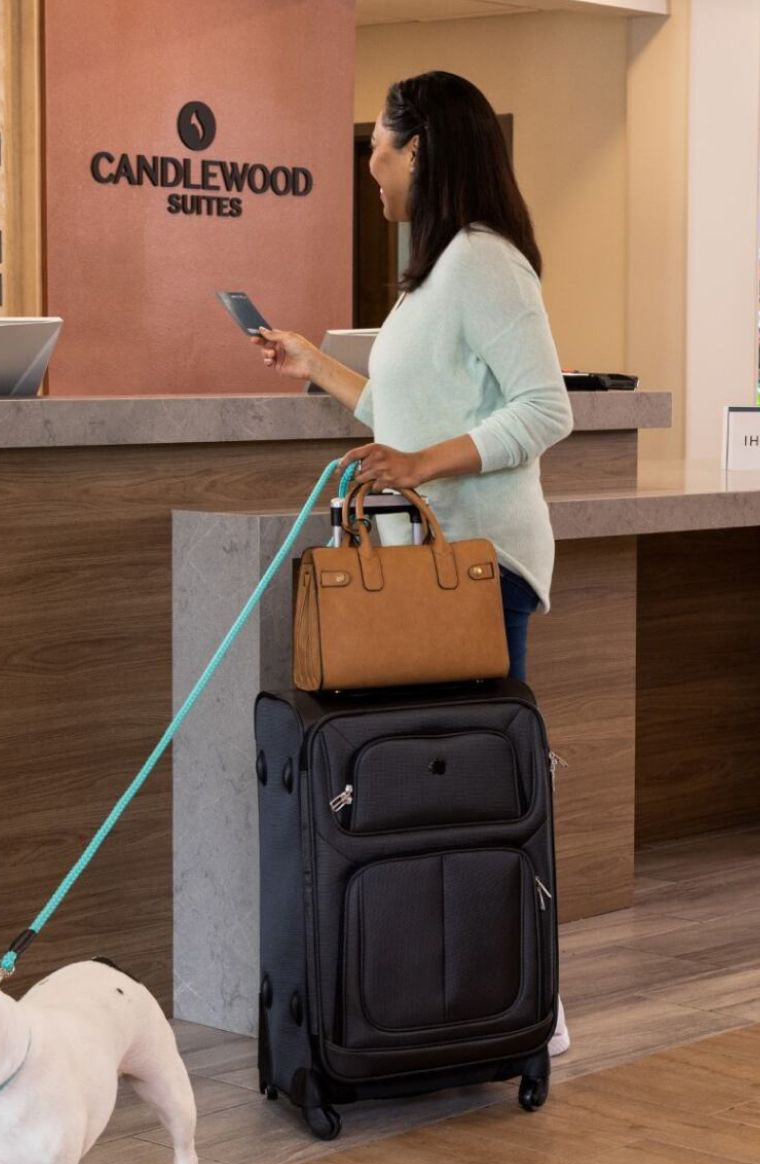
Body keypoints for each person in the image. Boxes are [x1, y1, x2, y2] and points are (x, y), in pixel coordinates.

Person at [255, 70, 575, 1054]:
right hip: (423, 570)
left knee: (474, 782)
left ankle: (529, 1000)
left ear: (420, 150)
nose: (370, 167)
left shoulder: (482, 261)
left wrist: (422, 462)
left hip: (476, 568)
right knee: (436, 783)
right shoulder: (435, 272)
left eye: (379, 147)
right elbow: (409, 412)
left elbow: (544, 409)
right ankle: (466, 992)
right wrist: (316, 365)